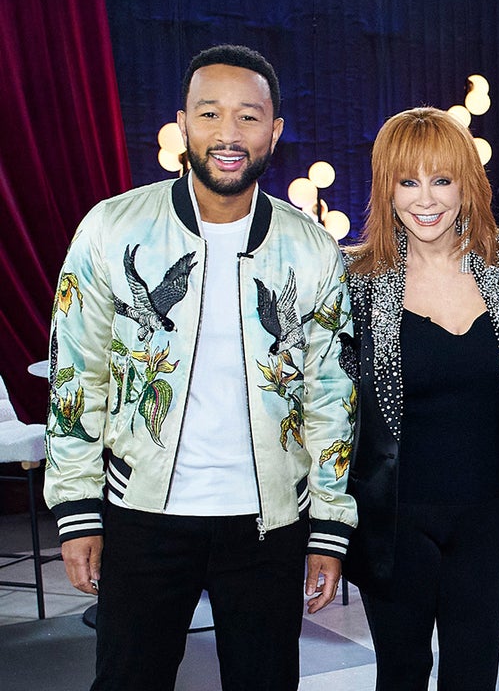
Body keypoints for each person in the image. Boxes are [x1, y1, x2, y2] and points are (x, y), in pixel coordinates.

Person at [43, 44, 356, 691]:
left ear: (275, 130)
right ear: (182, 123)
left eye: (248, 116)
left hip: (270, 523)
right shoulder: (111, 228)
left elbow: (332, 393)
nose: (228, 134)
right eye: (210, 114)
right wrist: (76, 507)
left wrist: (329, 526)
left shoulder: (312, 248)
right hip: (141, 512)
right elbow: (75, 374)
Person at [340, 107, 499, 690]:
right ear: (387, 189)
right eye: (408, 181)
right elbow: (332, 406)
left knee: (473, 675)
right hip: (394, 517)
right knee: (401, 673)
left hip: (486, 514)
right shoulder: (355, 280)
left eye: (442, 180)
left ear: (466, 184)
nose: (425, 199)